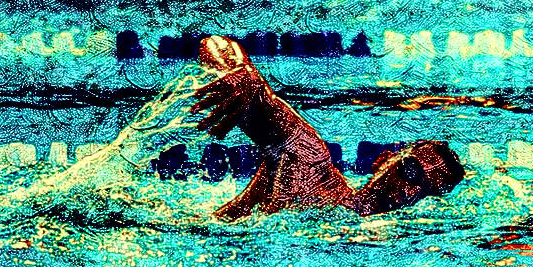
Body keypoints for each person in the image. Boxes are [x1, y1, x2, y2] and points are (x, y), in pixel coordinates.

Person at [191, 35, 464, 220]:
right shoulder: (311, 162)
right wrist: (243, 73)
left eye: (427, 191)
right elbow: (214, 44)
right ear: (383, 160)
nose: (411, 191)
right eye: (411, 171)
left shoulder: (362, 233)